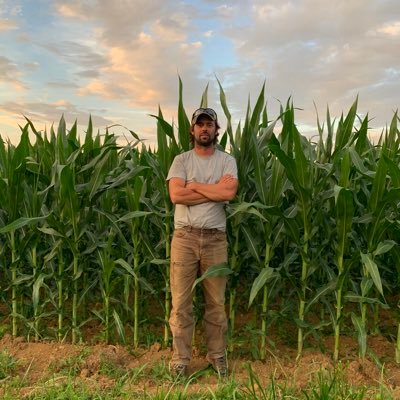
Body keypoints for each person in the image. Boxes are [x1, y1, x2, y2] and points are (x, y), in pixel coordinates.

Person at [166, 107, 238, 377]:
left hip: (215, 239)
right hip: (184, 238)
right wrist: (213, 191)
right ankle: (180, 359)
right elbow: (176, 196)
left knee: (216, 303)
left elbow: (228, 192)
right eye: (200, 124)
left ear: (216, 130)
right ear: (192, 130)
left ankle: (217, 356)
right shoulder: (181, 160)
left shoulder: (227, 161)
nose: (205, 129)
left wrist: (194, 186)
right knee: (181, 302)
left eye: (210, 124)